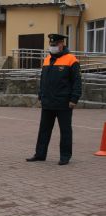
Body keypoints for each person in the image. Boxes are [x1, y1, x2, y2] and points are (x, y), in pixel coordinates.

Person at [26, 34, 82, 165]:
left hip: (64, 103)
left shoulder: (71, 60)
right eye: (51, 45)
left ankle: (65, 156)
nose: (52, 47)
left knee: (65, 131)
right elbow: (43, 81)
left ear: (62, 44)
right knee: (43, 130)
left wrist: (74, 99)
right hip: (48, 102)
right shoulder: (47, 59)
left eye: (55, 45)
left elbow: (77, 82)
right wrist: (40, 96)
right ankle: (40, 154)